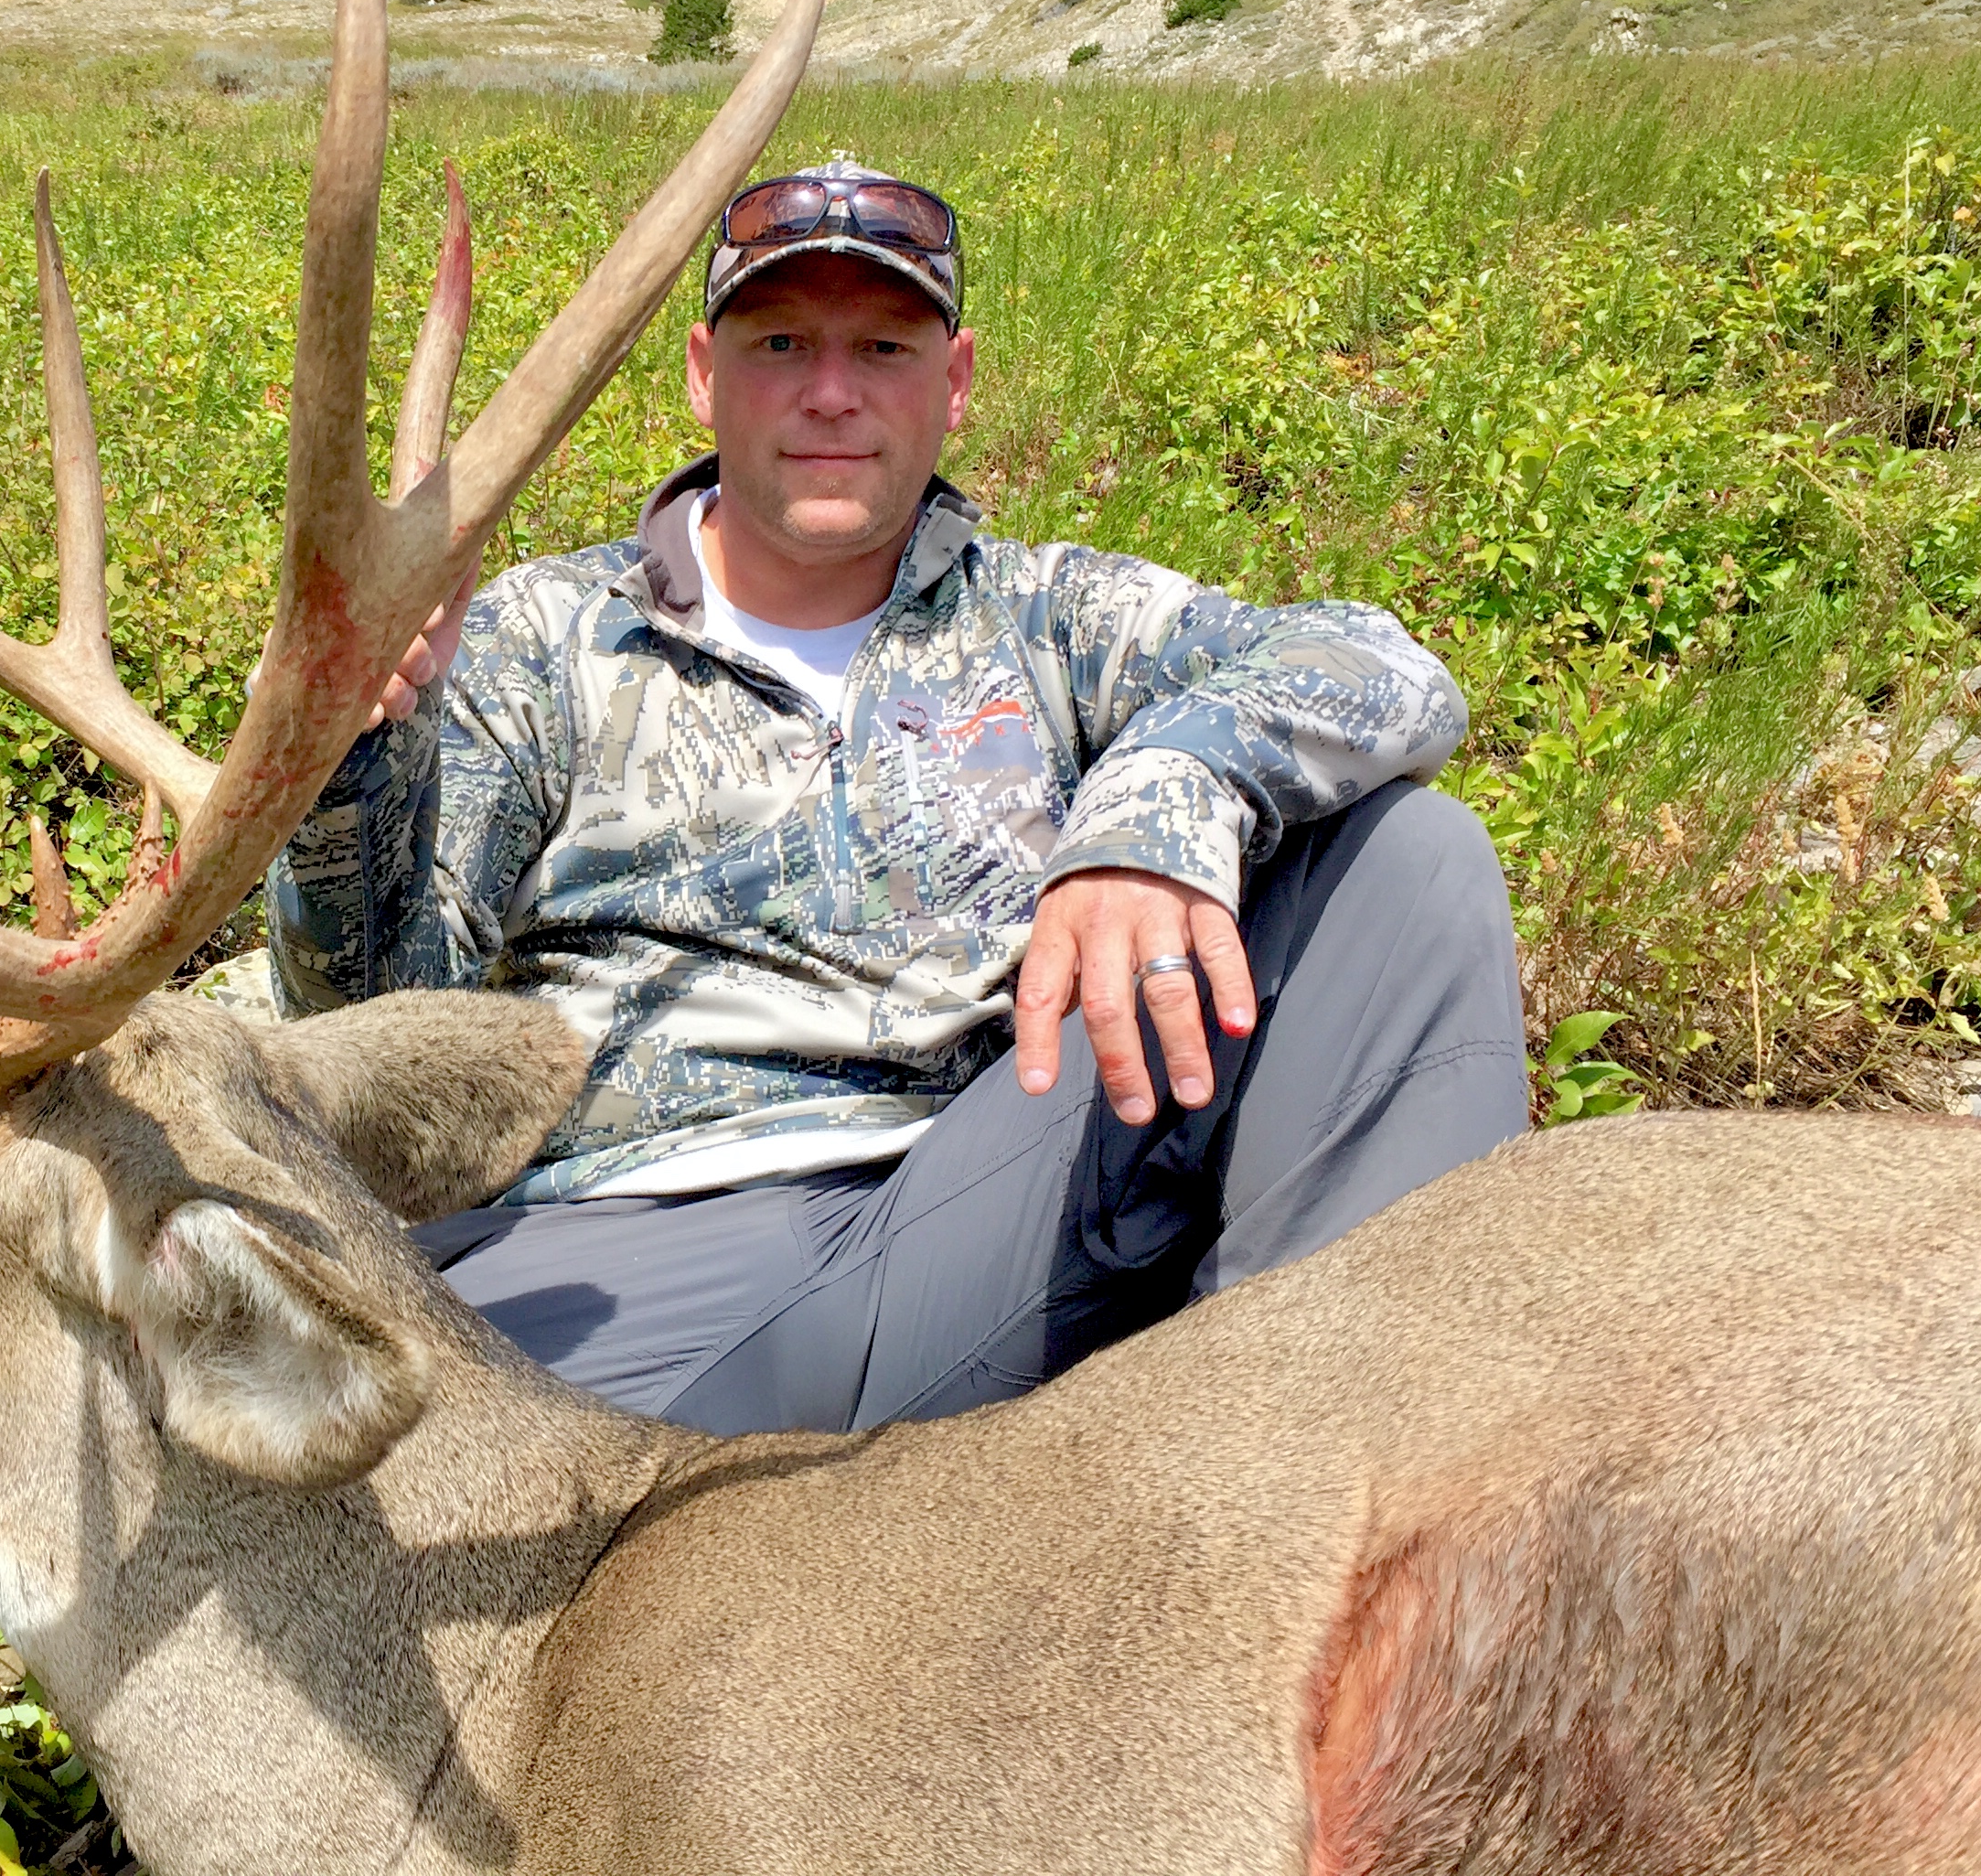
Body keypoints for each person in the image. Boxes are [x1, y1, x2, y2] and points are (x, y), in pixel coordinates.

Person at [269, 160, 1527, 1437]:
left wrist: (1160, 798)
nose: (832, 393)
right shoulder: (538, 638)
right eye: (781, 344)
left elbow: (1380, 667)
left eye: (883, 347)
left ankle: (1337, 1469)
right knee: (476, 1474)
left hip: (983, 1204)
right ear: (705, 376)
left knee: (1404, 862)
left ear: (955, 382)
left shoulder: (1046, 618)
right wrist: (354, 761)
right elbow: (368, 1028)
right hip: (645, 1240)